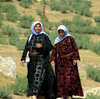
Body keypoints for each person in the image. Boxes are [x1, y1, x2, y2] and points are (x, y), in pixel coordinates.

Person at [21, 21, 56, 99]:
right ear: (33, 27)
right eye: (36, 26)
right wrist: (23, 59)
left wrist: (42, 46)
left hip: (41, 59)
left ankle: (36, 94)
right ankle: (34, 93)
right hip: (31, 59)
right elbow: (26, 48)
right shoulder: (31, 36)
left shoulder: (44, 36)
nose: (37, 28)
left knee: (39, 76)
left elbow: (50, 47)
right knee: (31, 76)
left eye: (39, 26)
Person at [49, 25, 84, 99]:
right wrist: (52, 60)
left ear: (65, 31)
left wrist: (75, 58)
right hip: (60, 62)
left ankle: (69, 94)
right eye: (60, 33)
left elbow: (75, 48)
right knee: (61, 79)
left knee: (69, 78)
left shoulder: (70, 38)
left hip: (70, 60)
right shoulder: (57, 40)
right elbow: (54, 51)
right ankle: (63, 94)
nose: (61, 34)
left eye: (63, 32)